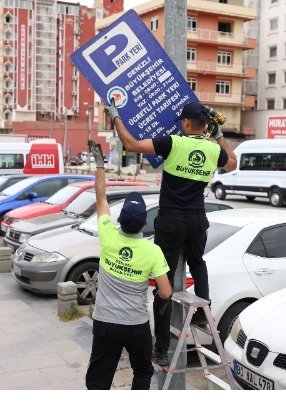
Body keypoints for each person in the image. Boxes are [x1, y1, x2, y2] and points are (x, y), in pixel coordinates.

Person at [105, 102, 237, 366]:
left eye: (181, 122)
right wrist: (219, 133)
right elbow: (232, 163)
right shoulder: (212, 149)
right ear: (205, 125)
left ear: (187, 123)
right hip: (197, 220)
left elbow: (131, 144)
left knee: (164, 286)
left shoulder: (173, 143)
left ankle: (161, 349)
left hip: (171, 220)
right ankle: (202, 311)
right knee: (198, 262)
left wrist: (116, 116)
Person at [85, 141, 173, 390]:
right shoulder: (153, 251)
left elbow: (101, 197)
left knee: (99, 375)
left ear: (120, 218)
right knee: (143, 371)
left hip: (105, 322)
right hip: (136, 325)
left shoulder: (107, 235)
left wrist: (100, 164)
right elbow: (165, 292)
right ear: (145, 222)